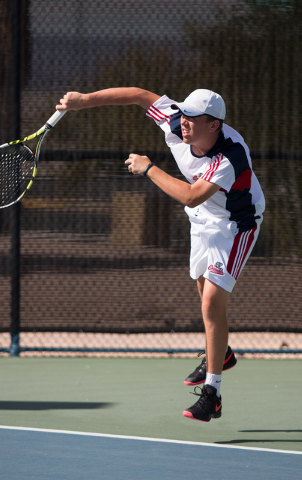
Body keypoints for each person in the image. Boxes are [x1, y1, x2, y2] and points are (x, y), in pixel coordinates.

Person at [56, 87, 265, 422]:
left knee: (212, 302)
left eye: (194, 119)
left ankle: (212, 395)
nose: (185, 123)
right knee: (203, 292)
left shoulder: (229, 156)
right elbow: (139, 95)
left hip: (236, 226)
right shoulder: (176, 121)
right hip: (203, 220)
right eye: (184, 114)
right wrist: (85, 101)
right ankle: (221, 352)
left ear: (214, 126)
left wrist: (149, 167)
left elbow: (192, 195)